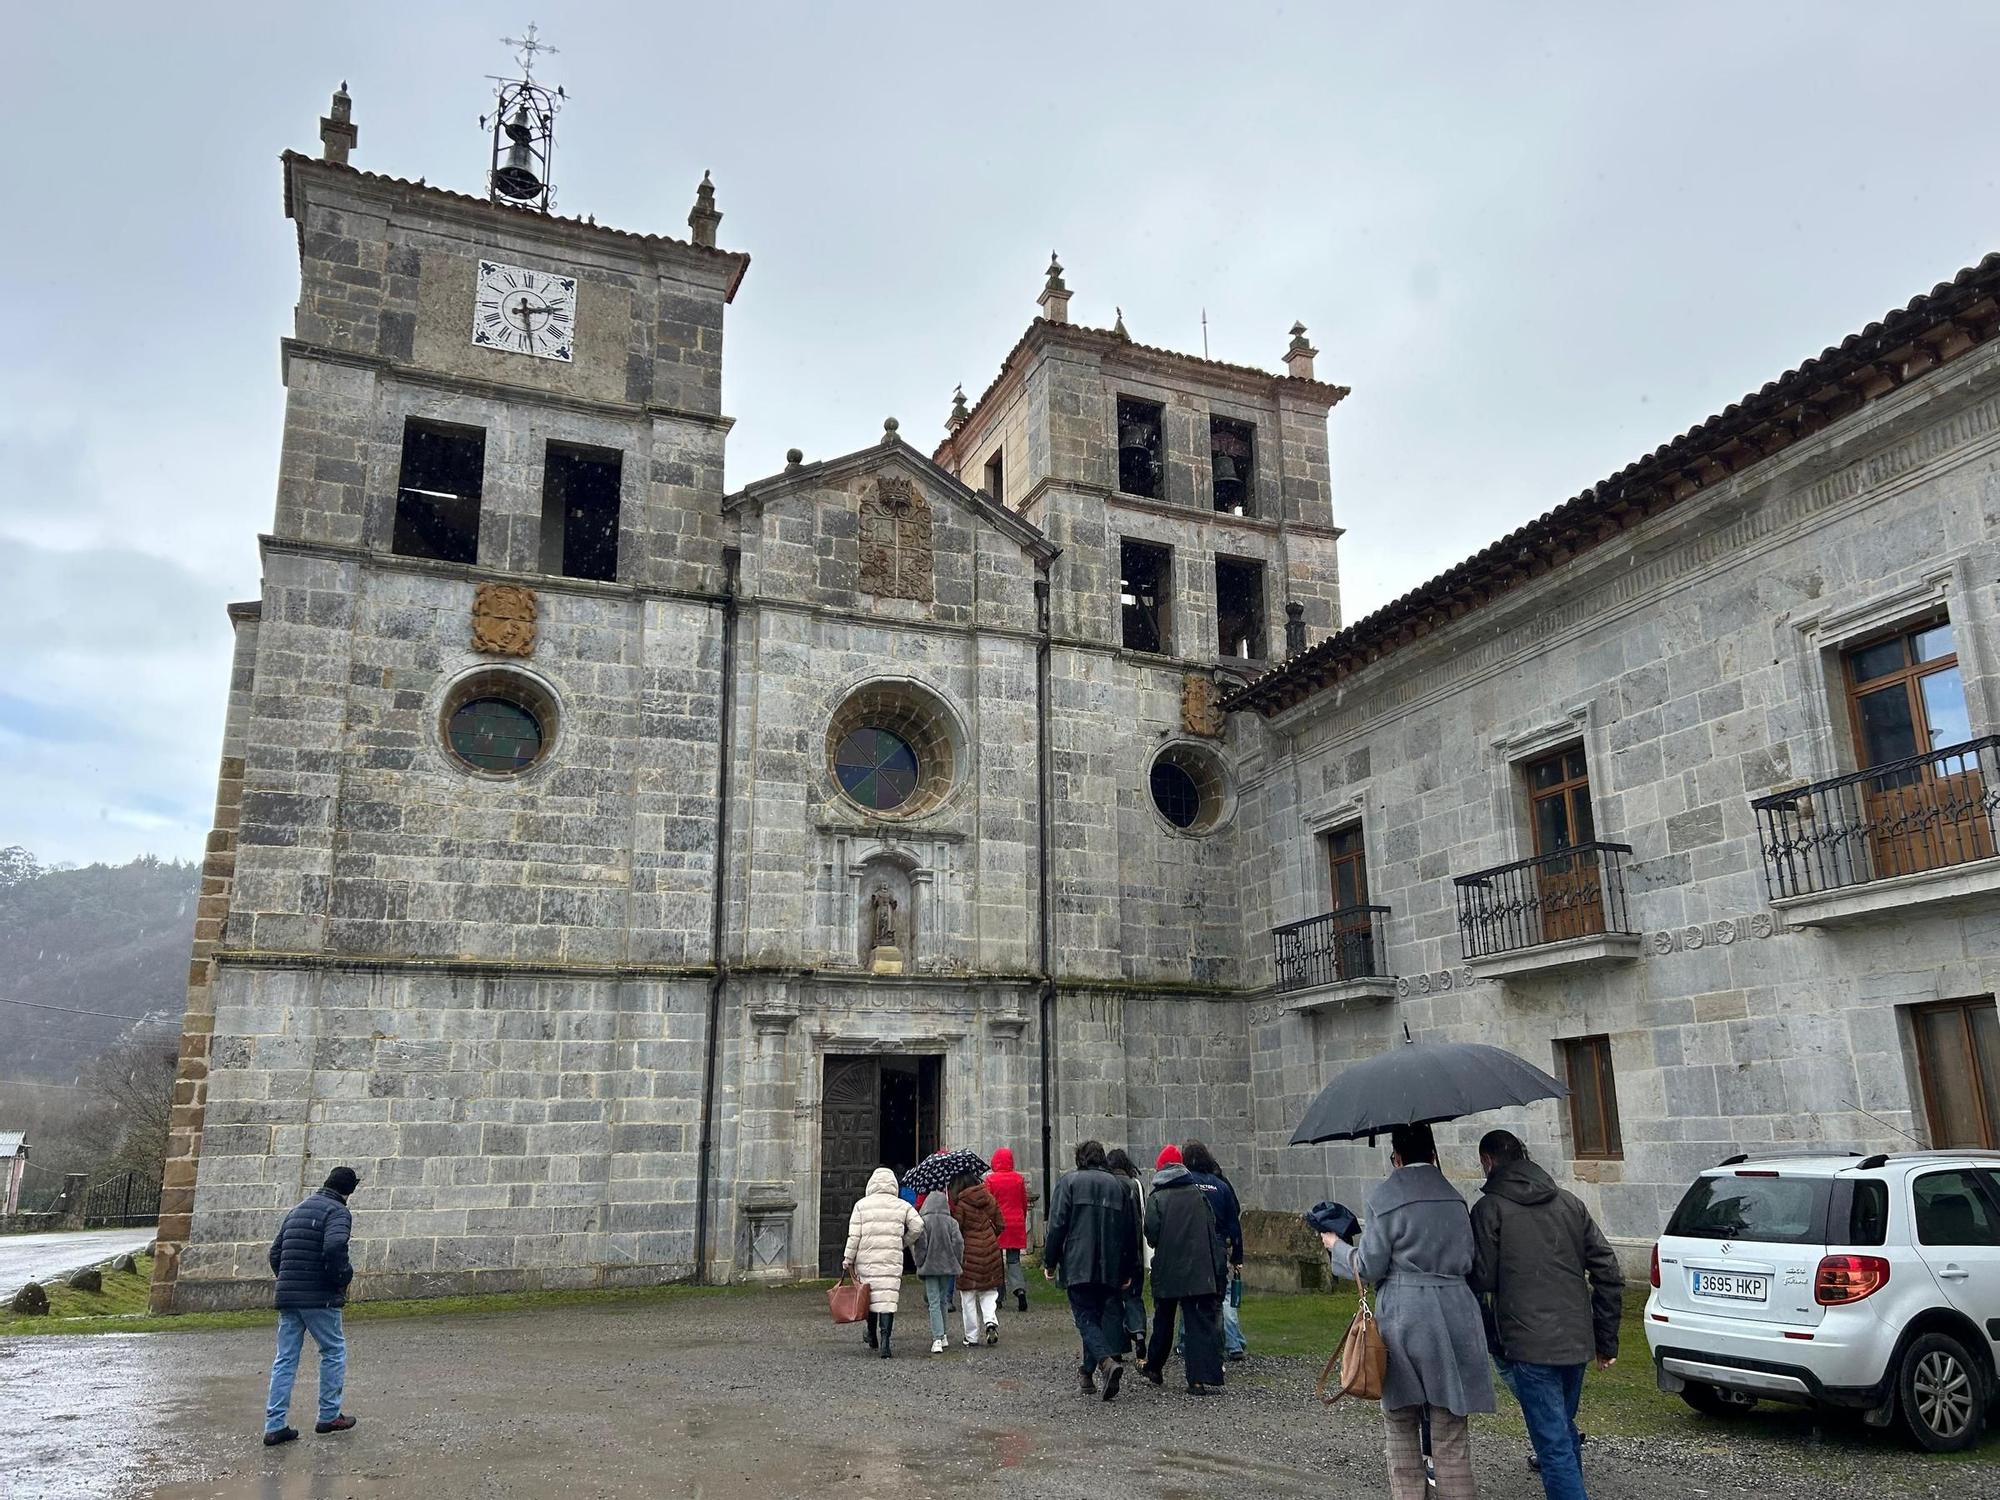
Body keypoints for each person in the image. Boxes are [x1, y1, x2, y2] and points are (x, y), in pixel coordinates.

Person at [1331, 1123, 1494, 1500]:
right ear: (1432, 1153)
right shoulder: (1454, 1197)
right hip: (1454, 1311)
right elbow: (1469, 1257)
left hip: (1405, 1316)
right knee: (1450, 1432)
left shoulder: (1385, 1197)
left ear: (1397, 1157)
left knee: (1401, 1425)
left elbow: (1368, 1266)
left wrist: (1335, 1248)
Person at [1470, 1130, 1625, 1500]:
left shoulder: (1489, 1210)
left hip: (1527, 1342)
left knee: (1553, 1441)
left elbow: (1482, 1277)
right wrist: (1605, 1339)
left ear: (1488, 1162)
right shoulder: (1570, 1203)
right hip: (1575, 1338)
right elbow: (1608, 1273)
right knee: (1560, 1429)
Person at [263, 1166, 360, 1446]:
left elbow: (275, 1252)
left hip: (288, 1296)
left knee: (285, 1359)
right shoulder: (337, 1211)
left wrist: (287, 1280)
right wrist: (342, 1278)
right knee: (333, 1351)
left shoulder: (298, 1209)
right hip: (319, 1296)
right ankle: (329, 1415)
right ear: (349, 1191)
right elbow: (334, 1247)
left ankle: (275, 1425)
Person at [1042, 1138, 1141, 1401]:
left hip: (1078, 1262)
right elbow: (1130, 1230)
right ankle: (1086, 1374)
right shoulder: (1119, 1186)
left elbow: (1057, 1225)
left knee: (1085, 1318)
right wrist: (1129, 1268)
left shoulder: (1069, 1182)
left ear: (1080, 1159)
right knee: (1094, 1318)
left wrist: (1049, 1262)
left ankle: (1106, 1364)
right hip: (1110, 1265)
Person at [1139, 1146, 1229, 1394]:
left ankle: (1154, 1367)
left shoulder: (1157, 1197)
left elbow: (1151, 1234)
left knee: (1164, 1321)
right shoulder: (1198, 1195)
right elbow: (1211, 1228)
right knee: (1198, 1323)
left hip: (1168, 1267)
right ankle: (1198, 1380)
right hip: (1199, 1268)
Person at [843, 1166, 924, 1359]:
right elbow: (918, 1225)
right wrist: (903, 1241)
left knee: (869, 1297)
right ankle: (886, 1343)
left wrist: (848, 1258)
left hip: (867, 1259)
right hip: (891, 1259)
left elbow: (854, 1236)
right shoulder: (901, 1205)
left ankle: (872, 1336)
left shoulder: (861, 1205)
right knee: (887, 1299)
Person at [1180, 1140, 1246, 1362]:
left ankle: (1190, 1346)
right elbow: (1234, 1225)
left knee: (1190, 1299)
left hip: (1191, 1247)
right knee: (1217, 1301)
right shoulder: (1221, 1186)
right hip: (1217, 1247)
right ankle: (1217, 1350)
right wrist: (1237, 1256)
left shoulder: (1184, 1184)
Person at [951, 1170, 1006, 1346]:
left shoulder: (961, 1204)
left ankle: (971, 1336)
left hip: (969, 1252)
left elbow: (957, 1231)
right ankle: (990, 1321)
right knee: (989, 1291)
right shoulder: (988, 1197)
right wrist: (989, 1236)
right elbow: (1000, 1224)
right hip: (990, 1249)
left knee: (968, 1296)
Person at [913, 1181, 965, 1355]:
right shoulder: (952, 1222)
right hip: (947, 1266)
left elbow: (921, 1245)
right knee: (943, 1300)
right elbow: (958, 1243)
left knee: (933, 1302)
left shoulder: (923, 1221)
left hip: (929, 1267)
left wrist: (919, 1262)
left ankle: (937, 1338)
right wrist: (957, 1261)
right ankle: (943, 1335)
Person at [1105, 1148, 1148, 1358]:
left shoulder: (1107, 1185)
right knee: (1133, 1296)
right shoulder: (1136, 1185)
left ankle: (1116, 1349)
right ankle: (1138, 1333)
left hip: (1112, 1252)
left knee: (1112, 1301)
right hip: (1136, 1249)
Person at [986, 1146, 1032, 1313]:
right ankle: (1020, 1291)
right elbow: (1023, 1203)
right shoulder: (1018, 1179)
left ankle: (998, 1297)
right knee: (1014, 1260)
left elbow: (989, 1204)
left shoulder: (991, 1180)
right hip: (1015, 1223)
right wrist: (1021, 1219)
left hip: (997, 1224)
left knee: (996, 1262)